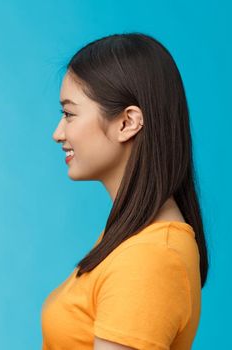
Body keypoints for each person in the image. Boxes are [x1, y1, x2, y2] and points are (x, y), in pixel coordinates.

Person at [42, 32, 209, 350]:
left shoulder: (152, 257)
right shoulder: (130, 236)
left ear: (127, 122)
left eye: (69, 114)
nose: (57, 133)